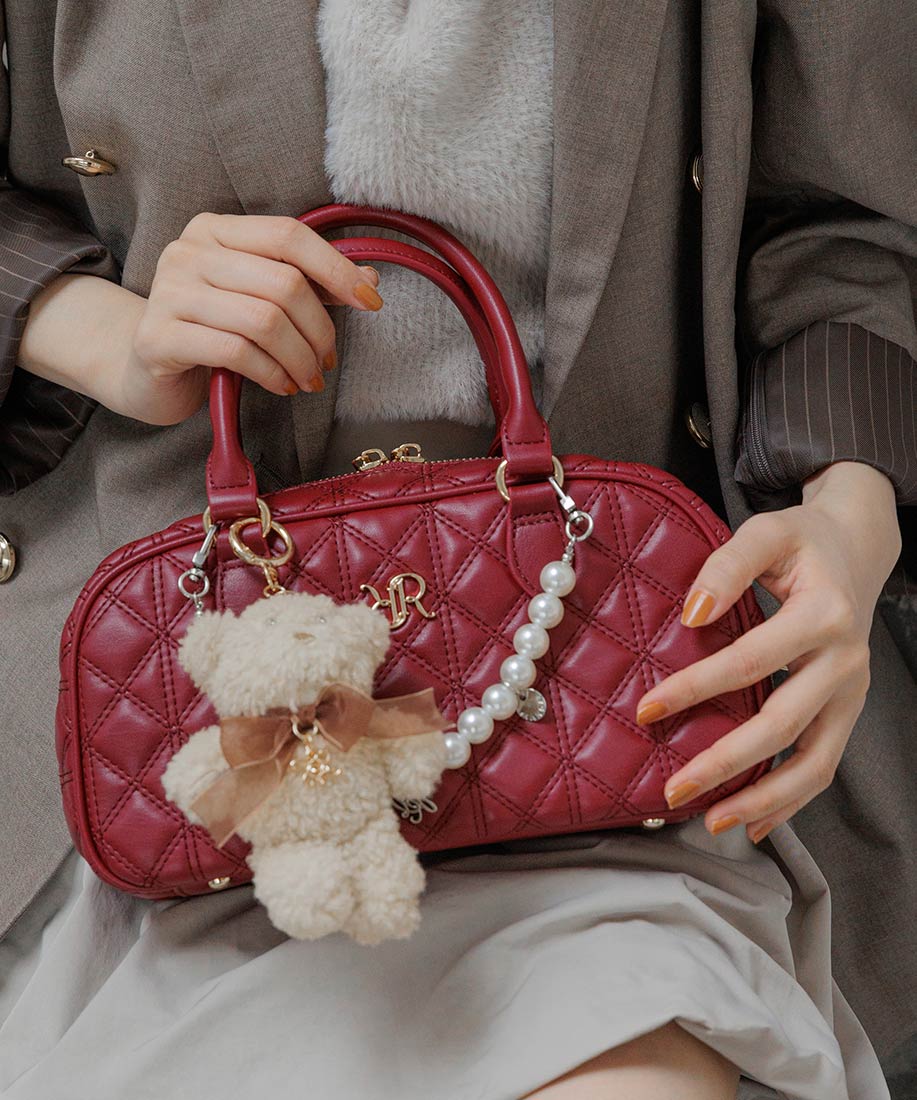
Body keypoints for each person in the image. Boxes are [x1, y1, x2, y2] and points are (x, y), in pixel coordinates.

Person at [0, 2, 914, 1097]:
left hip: (611, 696)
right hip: (175, 723)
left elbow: (839, 223)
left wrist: (849, 516)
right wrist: (107, 332)